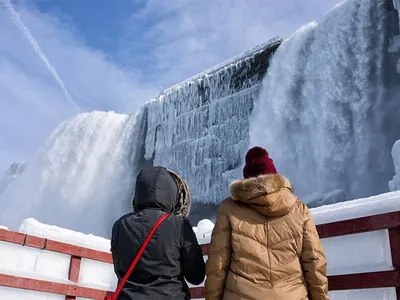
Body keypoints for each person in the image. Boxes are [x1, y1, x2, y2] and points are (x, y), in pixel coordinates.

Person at [205, 147, 329, 300]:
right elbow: (314, 261)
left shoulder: (229, 209)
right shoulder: (299, 209)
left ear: (246, 177)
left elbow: (218, 264)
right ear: (275, 175)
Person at [111, 166, 205, 300]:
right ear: (172, 193)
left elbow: (119, 270)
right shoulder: (178, 225)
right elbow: (196, 276)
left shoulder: (120, 225)